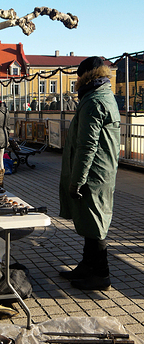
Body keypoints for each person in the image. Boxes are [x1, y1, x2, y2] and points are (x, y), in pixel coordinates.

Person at [59, 56, 121, 291]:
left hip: (93, 174)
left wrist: (77, 181)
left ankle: (101, 275)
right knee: (90, 220)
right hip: (101, 171)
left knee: (95, 223)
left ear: (85, 76)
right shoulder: (103, 95)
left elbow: (87, 146)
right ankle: (87, 266)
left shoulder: (94, 100)